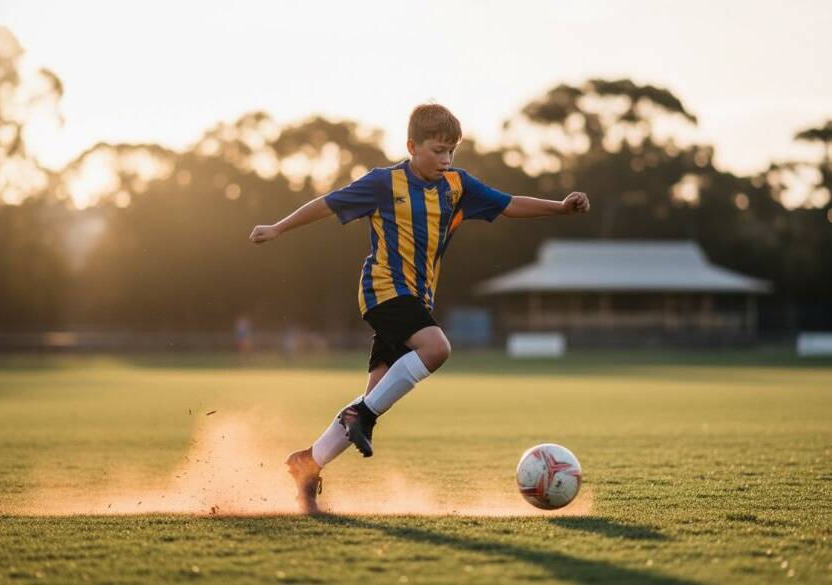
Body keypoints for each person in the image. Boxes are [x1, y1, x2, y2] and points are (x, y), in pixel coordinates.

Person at [249, 104, 590, 513]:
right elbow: (328, 203)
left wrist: (559, 207)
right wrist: (278, 227)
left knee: (375, 397)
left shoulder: (456, 185)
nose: (445, 159)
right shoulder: (384, 182)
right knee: (436, 348)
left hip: (417, 297)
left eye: (451, 152)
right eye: (437, 150)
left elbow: (508, 204)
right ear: (412, 146)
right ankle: (361, 417)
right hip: (383, 289)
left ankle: (308, 463)